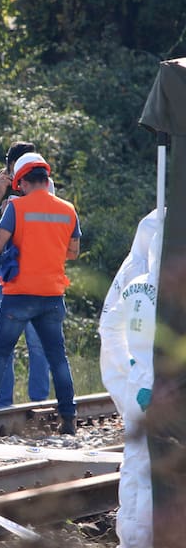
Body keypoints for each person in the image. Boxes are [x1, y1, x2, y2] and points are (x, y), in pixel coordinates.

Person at [0, 153, 81, 434]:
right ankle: (68, 417)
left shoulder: (17, 208)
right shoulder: (68, 209)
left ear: (21, 182)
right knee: (57, 357)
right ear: (47, 180)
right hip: (51, 295)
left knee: (0, 352)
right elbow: (74, 251)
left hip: (19, 293)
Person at [98, 209, 161, 548]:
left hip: (140, 386)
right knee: (154, 471)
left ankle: (133, 540)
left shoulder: (134, 284)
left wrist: (130, 374)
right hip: (161, 389)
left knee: (136, 465)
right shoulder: (165, 291)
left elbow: (110, 329)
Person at [0, 141, 51, 406]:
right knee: (3, 340)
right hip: (3, 273)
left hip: (37, 272)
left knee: (38, 341)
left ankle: (39, 402)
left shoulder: (43, 181)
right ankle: (1, 404)